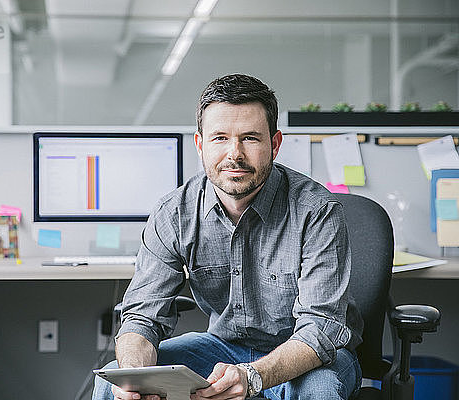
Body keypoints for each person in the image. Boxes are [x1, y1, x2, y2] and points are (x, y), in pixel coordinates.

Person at [92, 74, 363, 400]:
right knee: (113, 384)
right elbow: (141, 317)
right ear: (200, 144)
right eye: (220, 138)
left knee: (319, 392)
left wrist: (253, 376)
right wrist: (135, 377)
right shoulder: (174, 213)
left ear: (275, 144)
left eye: (250, 138)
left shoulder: (316, 211)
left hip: (306, 355)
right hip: (222, 348)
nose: (234, 153)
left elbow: (320, 329)